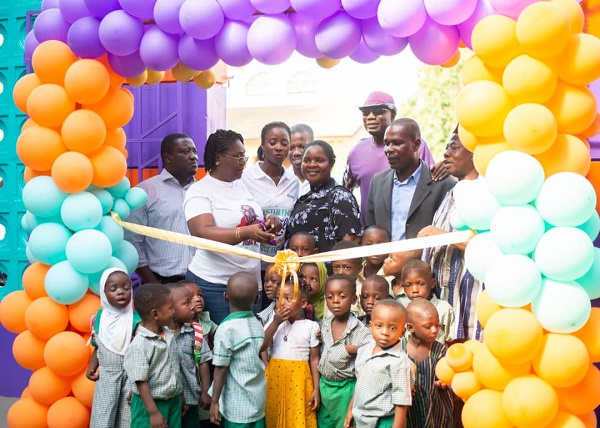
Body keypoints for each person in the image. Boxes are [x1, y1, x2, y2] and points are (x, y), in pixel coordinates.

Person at [184, 129, 281, 324]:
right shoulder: (199, 191)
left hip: (250, 284)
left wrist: (268, 222)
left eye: (244, 157)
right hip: (216, 285)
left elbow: (250, 215)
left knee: (249, 344)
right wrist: (245, 233)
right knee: (224, 345)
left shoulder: (242, 184)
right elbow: (201, 231)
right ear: (218, 158)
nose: (243, 162)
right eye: (237, 157)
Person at [418, 130, 483, 340]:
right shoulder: (452, 191)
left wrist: (439, 235)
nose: (446, 154)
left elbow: (486, 244)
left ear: (474, 154)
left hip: (468, 308)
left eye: (454, 148)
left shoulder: (484, 194)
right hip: (445, 303)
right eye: (446, 147)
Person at [343, 92, 438, 224]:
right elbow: (344, 192)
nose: (370, 117)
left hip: (411, 230)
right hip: (372, 236)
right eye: (365, 112)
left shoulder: (415, 147)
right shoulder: (355, 152)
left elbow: (433, 181)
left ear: (392, 116)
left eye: (377, 111)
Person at [366, 118, 455, 241]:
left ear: (416, 145)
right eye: (386, 143)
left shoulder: (442, 183)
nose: (389, 149)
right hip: (386, 259)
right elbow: (370, 227)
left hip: (423, 259)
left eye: (397, 143)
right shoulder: (377, 182)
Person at [126, 133, 198, 284]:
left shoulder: (203, 190)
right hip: (163, 282)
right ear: (168, 157)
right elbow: (132, 242)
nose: (193, 157)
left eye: (194, 151)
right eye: (185, 152)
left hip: (203, 283)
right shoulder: (146, 191)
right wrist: (154, 285)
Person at [242, 122, 299, 310]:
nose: (279, 147)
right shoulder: (245, 178)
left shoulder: (293, 182)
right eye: (273, 142)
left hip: (279, 266)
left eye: (284, 143)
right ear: (263, 145)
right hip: (251, 263)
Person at [209, 272, 267, 428]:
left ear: (225, 296)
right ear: (257, 299)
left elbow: (221, 367)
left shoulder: (226, 329)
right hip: (258, 398)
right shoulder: (257, 323)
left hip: (237, 405)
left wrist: (214, 401)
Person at [261, 279, 321, 428]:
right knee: (273, 415)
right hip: (275, 377)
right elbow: (261, 347)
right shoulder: (273, 323)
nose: (282, 303)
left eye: (288, 299)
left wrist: (316, 389)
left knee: (297, 416)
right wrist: (275, 323)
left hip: (299, 380)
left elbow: (314, 359)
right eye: (279, 298)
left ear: (303, 303)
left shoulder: (311, 326)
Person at [124, 283, 184, 428]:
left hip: (172, 400)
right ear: (155, 314)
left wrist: (179, 394)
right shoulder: (140, 344)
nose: (173, 311)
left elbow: (174, 366)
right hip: (149, 405)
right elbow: (140, 380)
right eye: (170, 308)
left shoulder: (168, 334)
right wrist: (153, 412)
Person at [345, 300, 412, 428]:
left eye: (392, 328)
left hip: (384, 421)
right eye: (379, 325)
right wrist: (350, 410)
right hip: (361, 418)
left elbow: (402, 401)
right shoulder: (364, 350)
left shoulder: (399, 361)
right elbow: (360, 383)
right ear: (371, 326)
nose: (385, 332)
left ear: (402, 333)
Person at [287, 140, 362, 253]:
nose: (312, 164)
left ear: (331, 163)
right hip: (297, 269)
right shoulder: (303, 199)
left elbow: (350, 243)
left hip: (327, 269)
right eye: (306, 160)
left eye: (319, 160)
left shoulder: (339, 196)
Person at [87, 268, 140, 428]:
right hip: (107, 380)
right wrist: (91, 367)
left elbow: (140, 353)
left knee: (127, 419)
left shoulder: (136, 320)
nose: (121, 292)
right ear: (103, 292)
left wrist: (137, 385)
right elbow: (99, 345)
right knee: (103, 418)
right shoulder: (99, 319)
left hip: (129, 379)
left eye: (126, 287)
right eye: (113, 289)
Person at [318, 274, 371, 428]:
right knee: (324, 424)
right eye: (330, 296)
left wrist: (348, 349)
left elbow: (366, 365)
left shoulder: (361, 332)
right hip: (324, 386)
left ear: (354, 299)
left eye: (342, 296)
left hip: (346, 389)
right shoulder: (325, 325)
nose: (335, 300)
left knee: (346, 425)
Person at [403, 299, 455, 428]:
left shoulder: (441, 351)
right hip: (408, 416)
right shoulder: (399, 351)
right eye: (428, 326)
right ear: (410, 327)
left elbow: (452, 380)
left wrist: (443, 382)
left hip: (436, 416)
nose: (434, 330)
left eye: (437, 325)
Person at [167, 283, 212, 428]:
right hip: (167, 400)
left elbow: (204, 361)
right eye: (187, 303)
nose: (192, 307)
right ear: (170, 309)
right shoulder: (159, 335)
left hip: (191, 398)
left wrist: (205, 391)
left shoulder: (195, 332)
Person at [179, 281, 216, 426]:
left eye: (199, 295)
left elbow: (219, 332)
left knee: (202, 413)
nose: (198, 299)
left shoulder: (205, 321)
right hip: (187, 377)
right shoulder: (176, 330)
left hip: (202, 375)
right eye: (190, 298)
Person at [396, 260, 456, 344]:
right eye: (408, 285)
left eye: (420, 284)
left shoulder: (444, 309)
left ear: (432, 283)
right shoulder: (400, 309)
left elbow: (452, 340)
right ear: (403, 286)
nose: (414, 290)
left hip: (437, 356)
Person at [331, 240, 363, 316]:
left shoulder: (363, 290)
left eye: (346, 267)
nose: (340, 272)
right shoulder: (330, 288)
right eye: (336, 267)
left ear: (359, 269)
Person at [289, 124, 314, 197]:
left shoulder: (331, 182)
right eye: (291, 147)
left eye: (302, 147)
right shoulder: (281, 181)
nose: (296, 152)